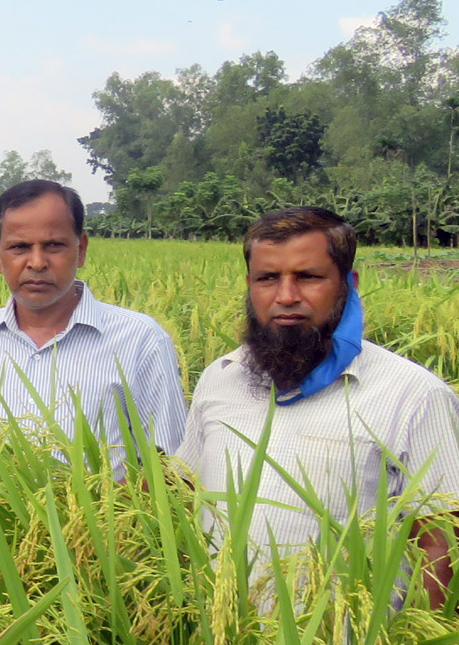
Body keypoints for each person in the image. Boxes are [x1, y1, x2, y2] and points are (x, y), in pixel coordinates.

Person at [179, 206, 455, 605]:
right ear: (250, 285)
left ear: (348, 284)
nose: (286, 296)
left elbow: (441, 542)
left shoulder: (412, 394)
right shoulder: (219, 378)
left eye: (308, 277)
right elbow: (190, 495)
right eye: (268, 278)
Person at [0, 179, 186, 466]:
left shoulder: (140, 339)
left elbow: (168, 463)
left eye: (54, 246)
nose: (36, 262)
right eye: (19, 247)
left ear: (81, 249)